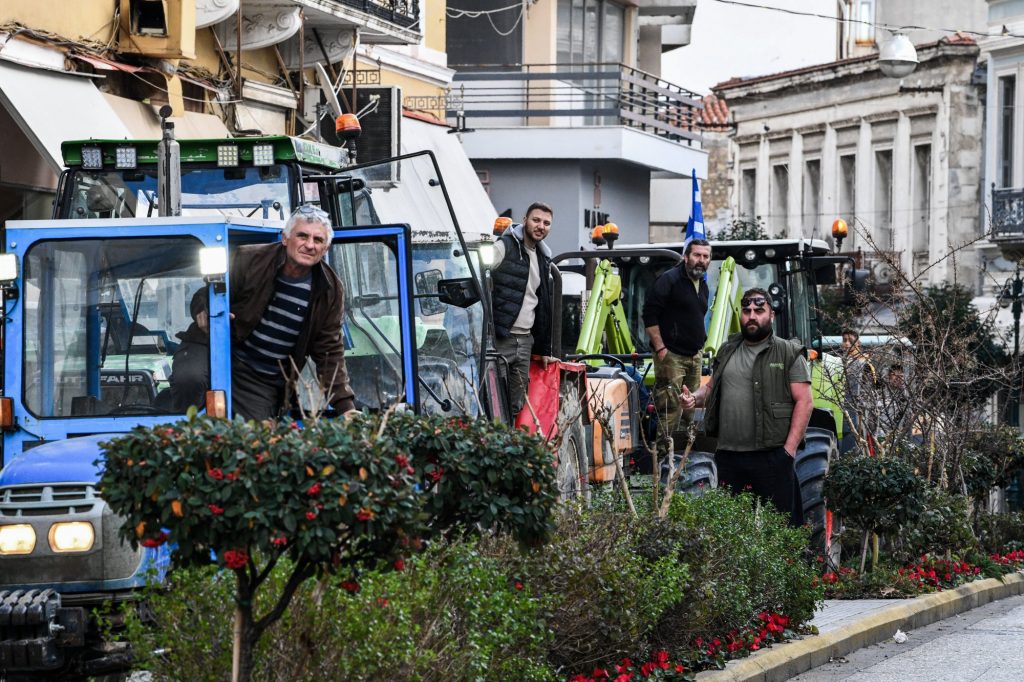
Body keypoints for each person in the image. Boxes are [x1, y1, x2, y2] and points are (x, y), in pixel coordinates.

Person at [170, 204, 355, 420]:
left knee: (257, 440)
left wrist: (345, 406)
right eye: (302, 236)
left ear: (326, 248)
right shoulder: (249, 259)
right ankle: (178, 440)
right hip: (212, 348)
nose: (309, 245)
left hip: (260, 378)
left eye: (318, 240)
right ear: (285, 238)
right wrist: (205, 311)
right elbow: (205, 295)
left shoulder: (330, 290)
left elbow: (329, 350)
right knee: (189, 380)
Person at [686, 287, 813, 524]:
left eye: (759, 310)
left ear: (771, 315)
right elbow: (711, 388)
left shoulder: (788, 352)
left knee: (783, 528)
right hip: (729, 457)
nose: (752, 316)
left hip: (772, 456)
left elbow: (804, 401)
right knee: (732, 532)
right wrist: (694, 398)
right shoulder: (728, 350)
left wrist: (789, 450)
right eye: (747, 311)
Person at [642, 238, 712, 459]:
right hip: (671, 355)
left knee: (690, 409)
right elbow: (649, 314)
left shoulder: (703, 285)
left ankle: (683, 458)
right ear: (686, 256)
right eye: (697, 255)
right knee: (670, 409)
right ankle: (663, 459)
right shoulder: (669, 280)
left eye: (706, 256)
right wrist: (661, 348)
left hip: (694, 356)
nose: (701, 260)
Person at [490, 201, 557, 416]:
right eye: (536, 220)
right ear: (525, 220)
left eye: (546, 223)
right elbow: (479, 276)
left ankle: (510, 447)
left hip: (525, 341)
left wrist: (544, 349)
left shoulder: (543, 258)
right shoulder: (504, 246)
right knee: (494, 402)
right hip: (501, 338)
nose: (541, 226)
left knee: (515, 405)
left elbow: (543, 306)